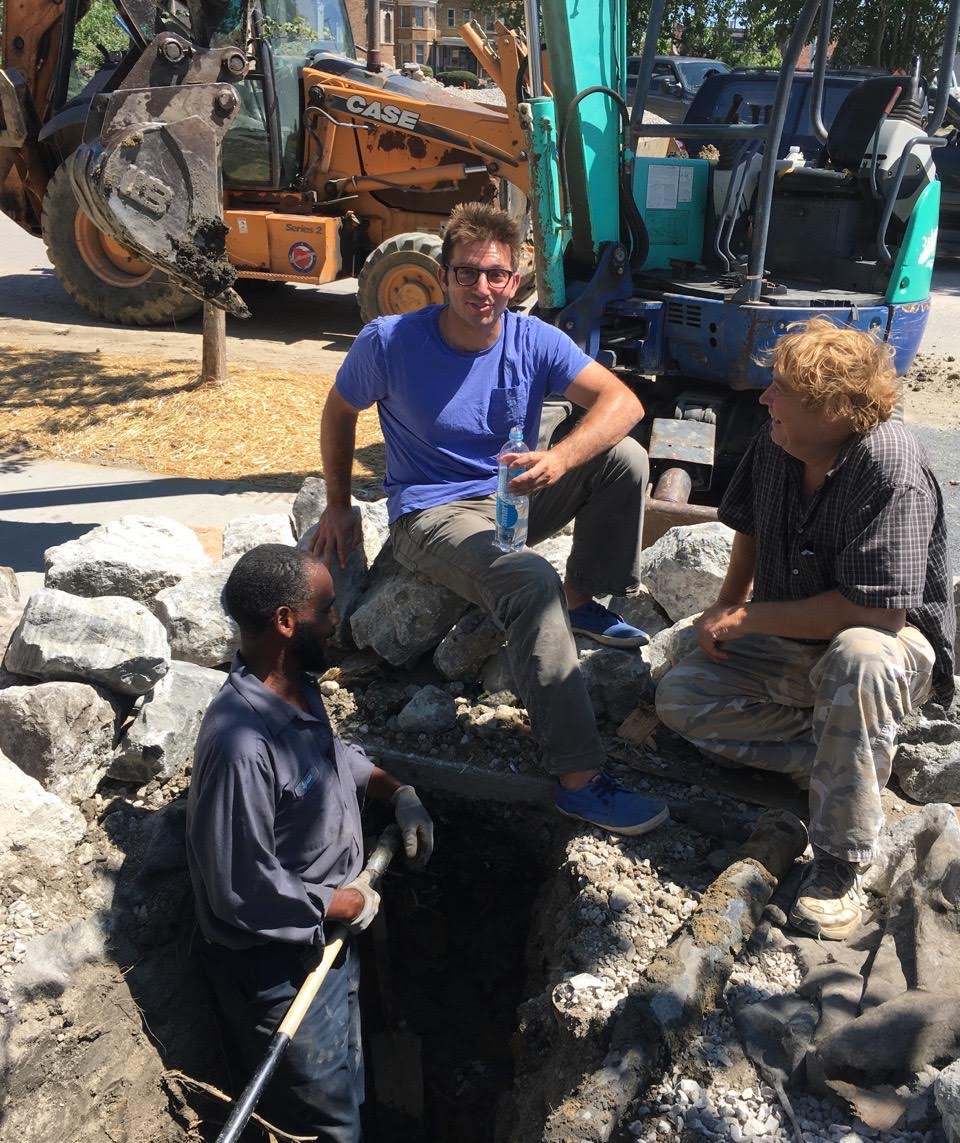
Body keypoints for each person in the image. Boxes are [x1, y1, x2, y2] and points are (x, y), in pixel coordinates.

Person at [311, 201, 668, 837]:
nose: (482, 288)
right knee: (530, 581)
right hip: (434, 511)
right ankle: (577, 779)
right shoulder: (390, 342)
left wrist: (558, 458)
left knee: (624, 458)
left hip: (513, 494)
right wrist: (339, 503)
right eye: (467, 273)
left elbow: (623, 401)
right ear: (443, 276)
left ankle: (582, 600)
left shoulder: (533, 338)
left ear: (515, 280)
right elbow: (340, 412)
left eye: (496, 275)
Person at [656, 317, 955, 940]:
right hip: (796, 636)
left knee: (859, 657)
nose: (765, 399)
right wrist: (724, 610)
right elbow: (750, 529)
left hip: (888, 642)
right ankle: (844, 755)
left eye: (782, 389)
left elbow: (879, 613)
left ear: (839, 409)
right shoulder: (780, 441)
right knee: (678, 696)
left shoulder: (889, 466)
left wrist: (750, 616)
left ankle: (844, 861)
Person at [186, 544, 434, 1142]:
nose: (337, 620)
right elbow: (238, 886)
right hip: (277, 970)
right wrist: (339, 903)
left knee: (347, 1088)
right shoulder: (241, 745)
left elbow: (327, 759)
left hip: (327, 945)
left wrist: (391, 788)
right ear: (285, 621)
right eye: (326, 609)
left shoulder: (296, 687)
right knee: (324, 1123)